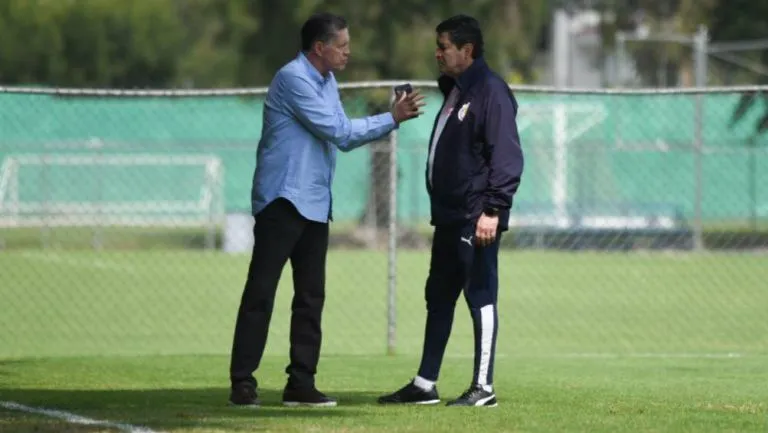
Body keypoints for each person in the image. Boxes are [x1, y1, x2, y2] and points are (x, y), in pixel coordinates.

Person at [228, 12, 425, 408]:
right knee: (261, 293)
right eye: (342, 46)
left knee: (310, 298)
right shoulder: (293, 79)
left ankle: (300, 383)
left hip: (316, 203)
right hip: (282, 199)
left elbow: (341, 129)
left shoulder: (328, 81)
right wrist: (391, 118)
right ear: (320, 48)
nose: (348, 53)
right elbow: (338, 133)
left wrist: (388, 118)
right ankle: (242, 382)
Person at [377, 14, 524, 407]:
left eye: (444, 47)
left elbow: (507, 158)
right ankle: (425, 384)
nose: (437, 53)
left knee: (481, 295)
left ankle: (483, 388)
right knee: (439, 295)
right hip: (448, 215)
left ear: (467, 50)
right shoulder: (459, 90)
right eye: (438, 46)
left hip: (476, 216)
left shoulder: (490, 91)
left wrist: (493, 209)